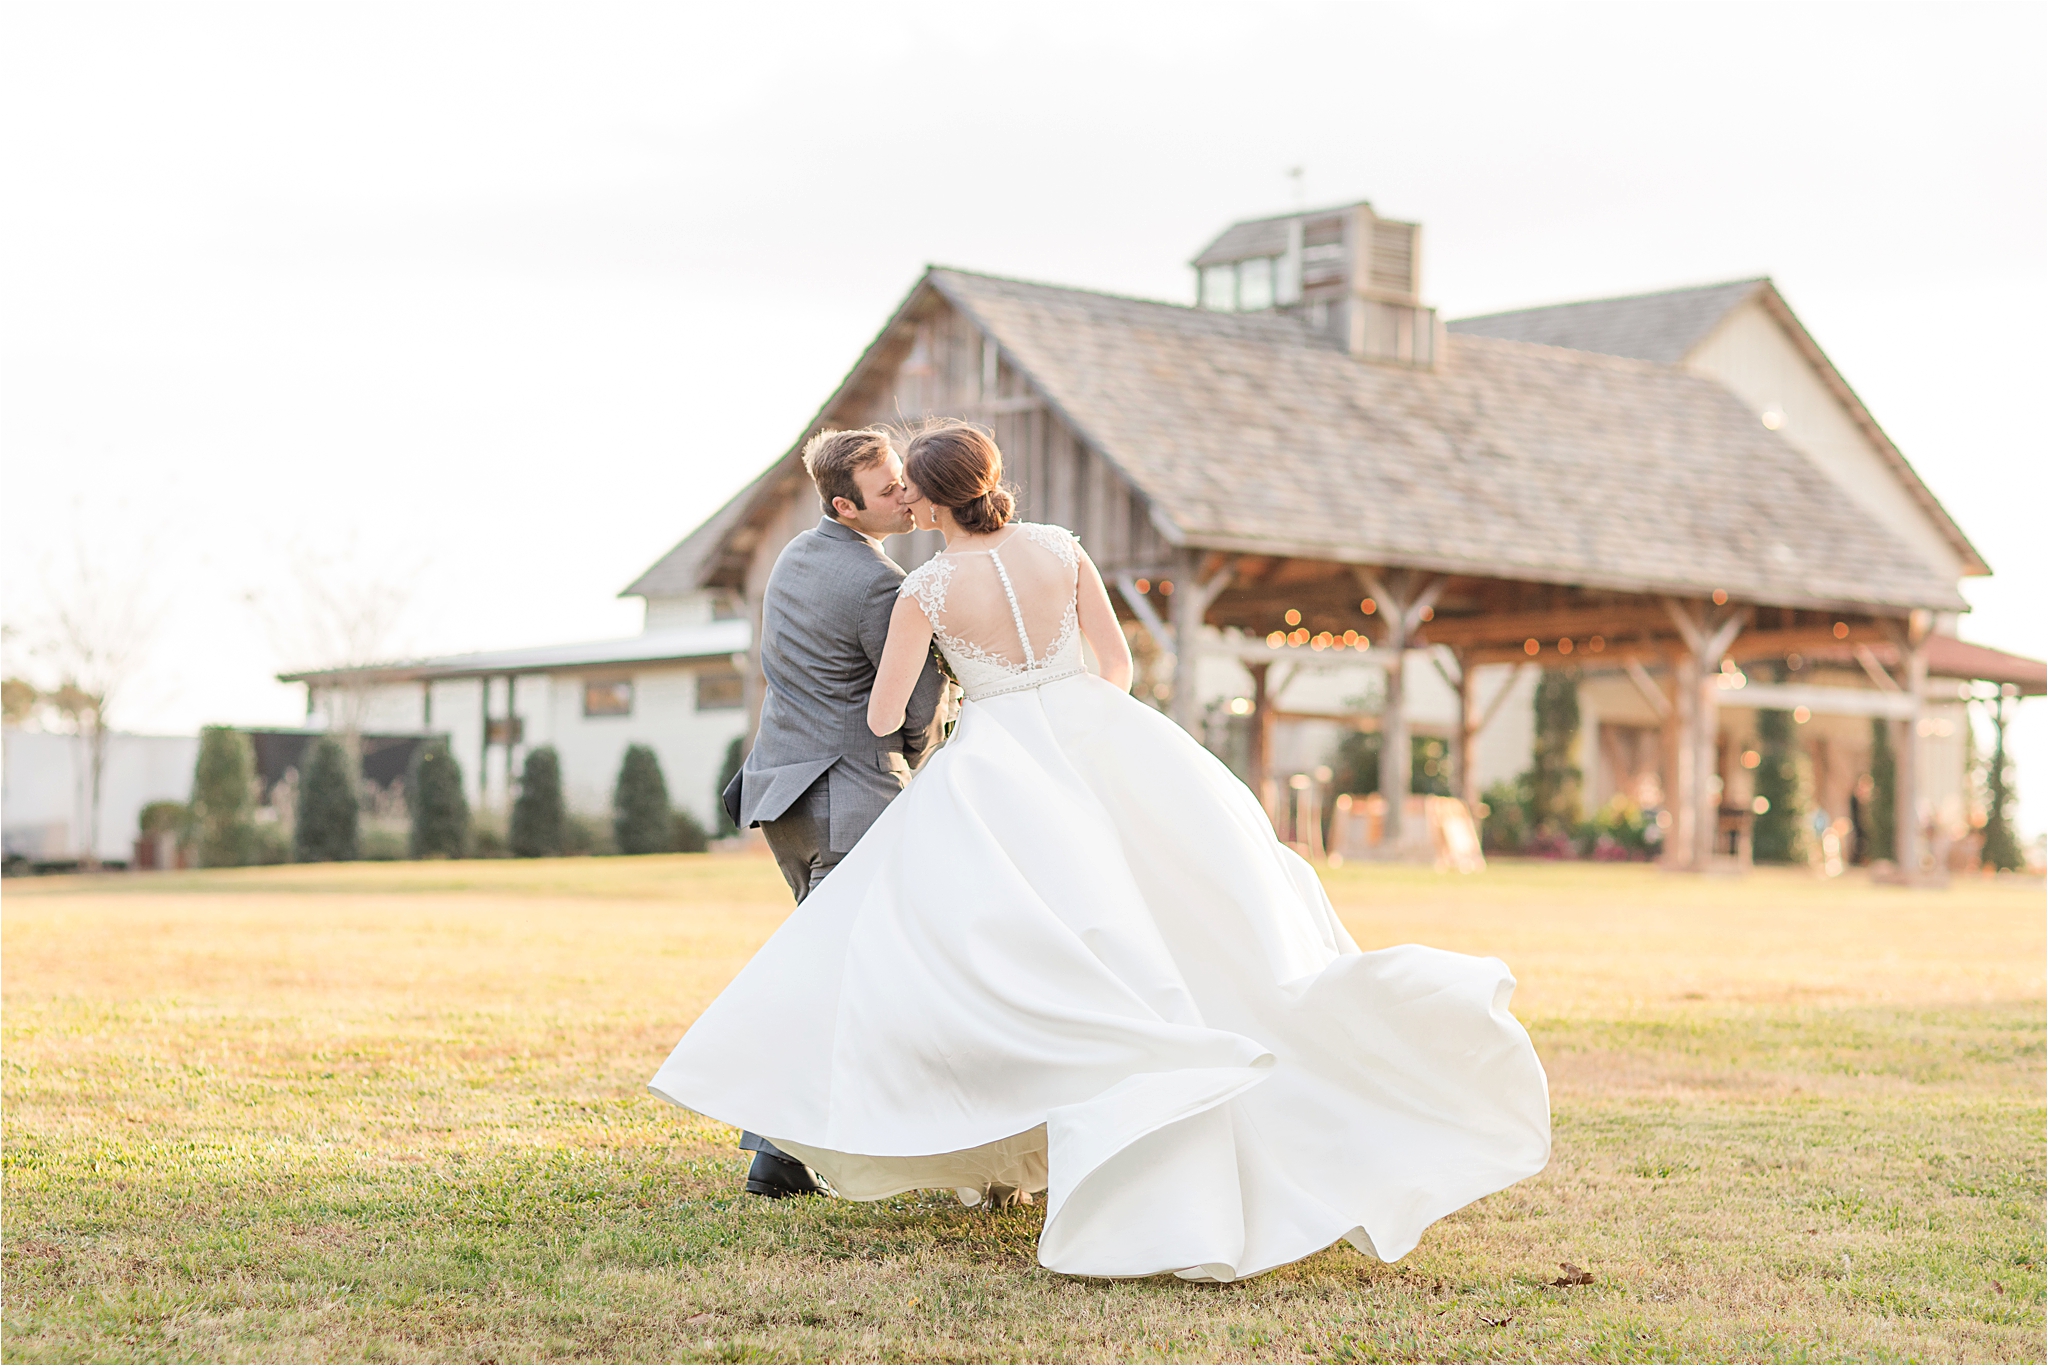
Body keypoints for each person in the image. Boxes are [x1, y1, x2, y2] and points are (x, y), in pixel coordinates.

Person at [657, 422, 1550, 1281]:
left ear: (933, 501)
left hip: (998, 763)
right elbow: (1116, 666)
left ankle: (1000, 1115)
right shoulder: (1060, 546)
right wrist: (1066, 707)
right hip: (1104, 739)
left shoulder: (923, 591)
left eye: (910, 491)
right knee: (1177, 910)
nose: (905, 503)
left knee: (992, 947)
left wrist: (973, 697)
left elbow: (888, 717)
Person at [715, 425, 943, 1197]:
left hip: (783, 791)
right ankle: (775, 1154)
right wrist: (920, 754)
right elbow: (907, 698)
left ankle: (786, 1154)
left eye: (904, 481)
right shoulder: (879, 584)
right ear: (847, 505)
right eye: (889, 492)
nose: (906, 497)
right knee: (841, 980)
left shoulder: (794, 556)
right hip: (852, 793)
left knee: (833, 970)